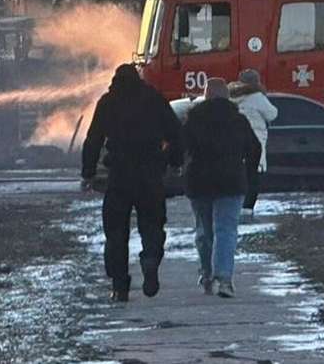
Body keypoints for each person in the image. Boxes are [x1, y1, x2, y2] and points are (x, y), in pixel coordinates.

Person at [82, 64, 182, 302]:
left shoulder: (108, 102)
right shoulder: (154, 99)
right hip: (150, 173)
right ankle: (150, 260)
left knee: (115, 232)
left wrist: (88, 172)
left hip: (119, 175)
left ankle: (120, 286)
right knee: (153, 224)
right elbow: (176, 133)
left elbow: (93, 138)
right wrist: (174, 161)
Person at [182, 78, 261, 298]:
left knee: (204, 231)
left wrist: (182, 166)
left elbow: (180, 147)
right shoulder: (238, 120)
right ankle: (224, 279)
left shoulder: (193, 119)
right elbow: (254, 148)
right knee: (226, 230)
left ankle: (207, 273)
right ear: (227, 96)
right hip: (231, 181)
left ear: (206, 96)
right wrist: (248, 171)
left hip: (199, 182)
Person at [229, 69, 277, 217]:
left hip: (233, 142)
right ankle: (247, 209)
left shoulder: (230, 96)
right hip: (254, 140)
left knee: (236, 176)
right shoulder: (257, 97)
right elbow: (272, 114)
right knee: (253, 177)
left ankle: (235, 206)